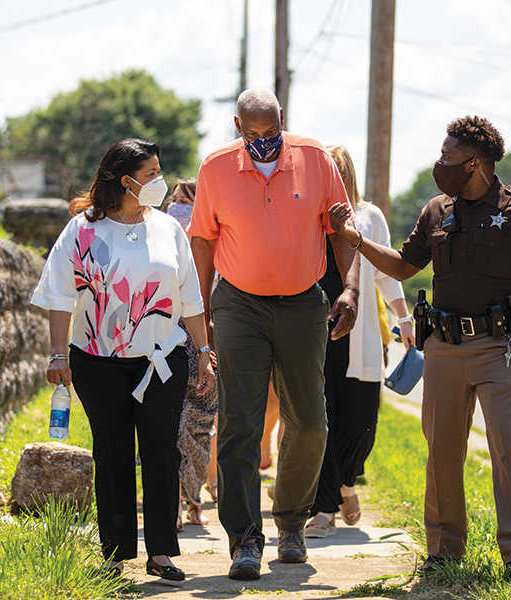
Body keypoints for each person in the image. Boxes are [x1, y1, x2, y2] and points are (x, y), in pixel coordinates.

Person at [328, 116, 511, 582]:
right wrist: (356, 240)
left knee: (510, 452)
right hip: (442, 348)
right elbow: (404, 267)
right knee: (442, 452)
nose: (439, 163)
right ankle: (444, 549)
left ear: (476, 163)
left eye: (448, 157)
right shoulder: (436, 210)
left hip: (500, 350)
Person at [188, 88, 360, 581]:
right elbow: (202, 240)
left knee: (309, 421)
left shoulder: (315, 159)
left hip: (304, 301)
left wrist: (348, 289)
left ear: (282, 120)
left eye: (272, 131)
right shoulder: (216, 167)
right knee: (241, 422)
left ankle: (290, 524)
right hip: (238, 304)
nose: (264, 141)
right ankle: (244, 538)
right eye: (254, 132)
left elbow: (339, 228)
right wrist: (202, 313)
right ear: (238, 126)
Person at [32, 138, 215, 582]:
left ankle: (162, 552)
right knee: (112, 452)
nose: (159, 181)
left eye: (158, 171)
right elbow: (59, 294)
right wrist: (59, 354)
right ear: (124, 180)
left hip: (161, 361)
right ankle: (115, 553)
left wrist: (205, 352)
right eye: (151, 174)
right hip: (96, 360)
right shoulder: (82, 229)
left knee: (160, 452)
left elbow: (190, 297)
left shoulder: (170, 229)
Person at [304, 145, 416, 538]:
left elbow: (387, 272)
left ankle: (347, 484)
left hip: (362, 334)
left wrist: (404, 318)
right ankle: (323, 509)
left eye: (336, 171)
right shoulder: (305, 215)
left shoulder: (369, 217)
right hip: (315, 334)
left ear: (347, 175)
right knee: (320, 421)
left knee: (361, 421)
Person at [165, 177, 219, 529]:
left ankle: (195, 497)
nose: (179, 209)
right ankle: (172, 500)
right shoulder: (159, 238)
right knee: (170, 422)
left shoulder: (215, 243)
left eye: (187, 203)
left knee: (200, 422)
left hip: (206, 339)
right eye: (175, 201)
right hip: (168, 340)